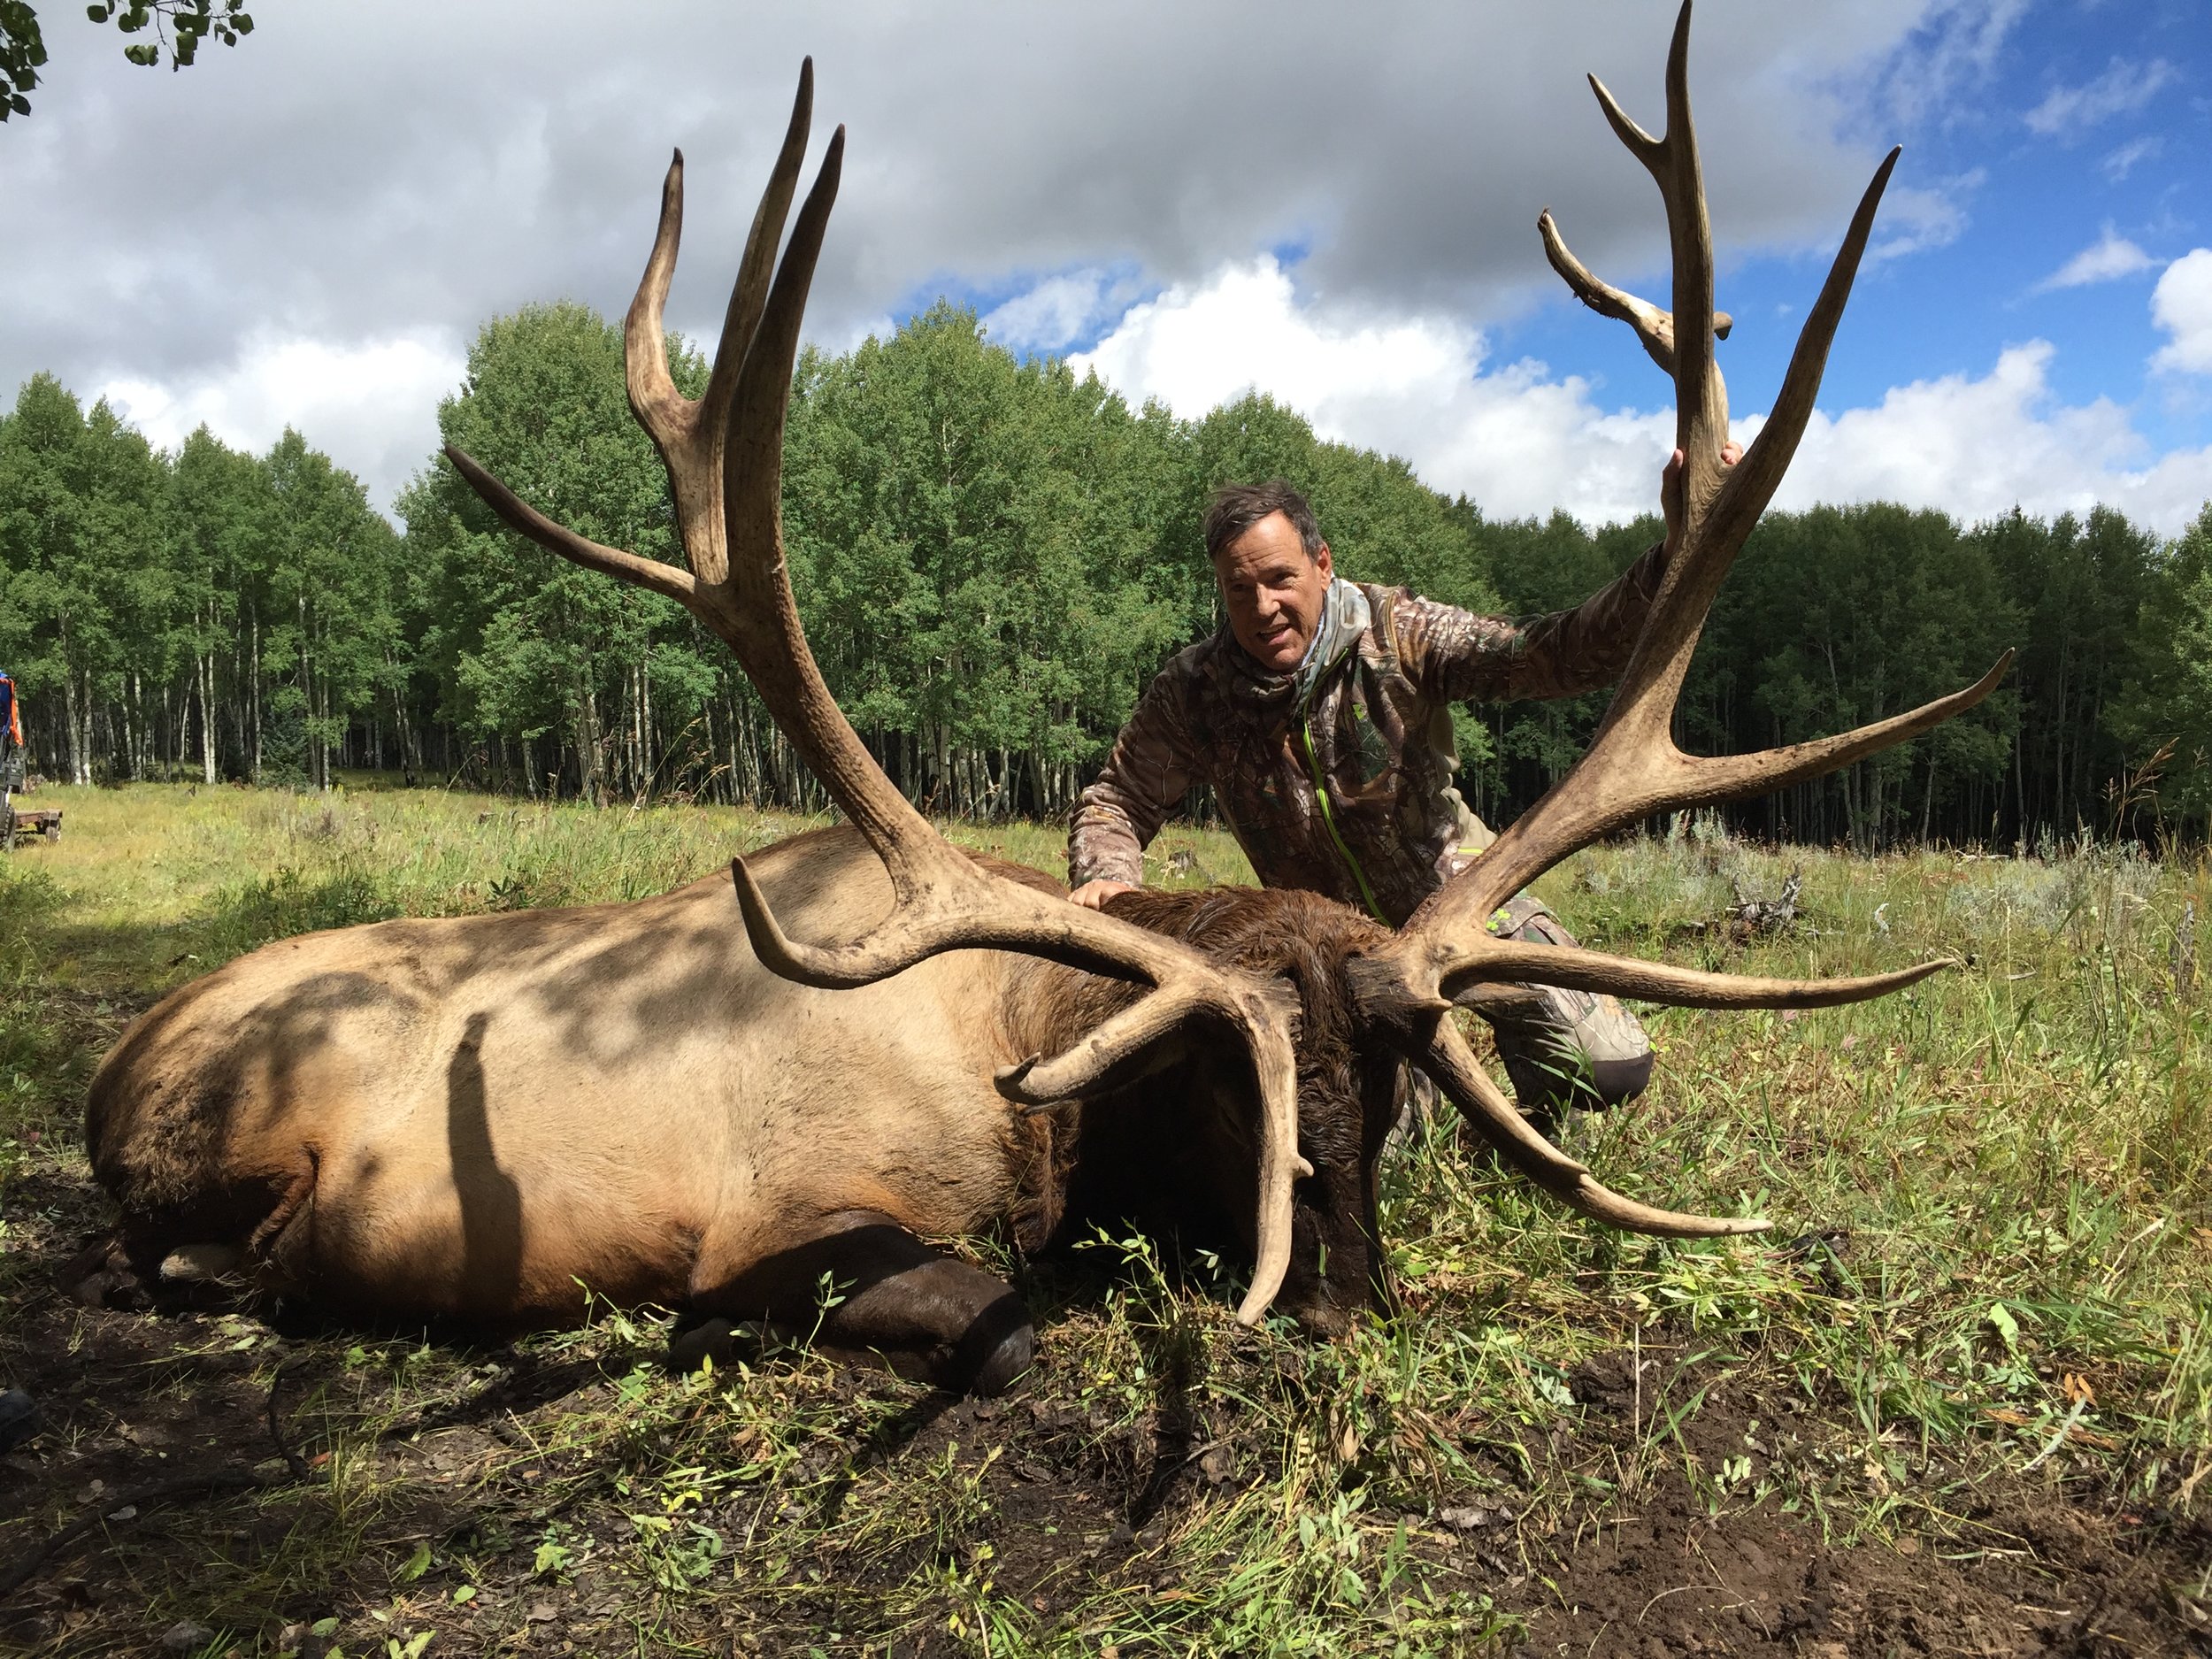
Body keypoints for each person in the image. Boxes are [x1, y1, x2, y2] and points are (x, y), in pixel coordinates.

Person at [1068, 448, 1735, 1116]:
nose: (1264, 607)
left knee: (1604, 1067)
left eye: (1280, 578)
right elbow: (1118, 800)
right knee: (1349, 1129)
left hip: (1462, 900)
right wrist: (1109, 875)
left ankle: (1523, 1110)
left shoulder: (1396, 633)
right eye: (1239, 590)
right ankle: (1419, 1096)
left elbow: (1550, 653)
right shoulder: (1196, 690)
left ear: (1322, 564)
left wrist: (1670, 558)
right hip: (1325, 951)